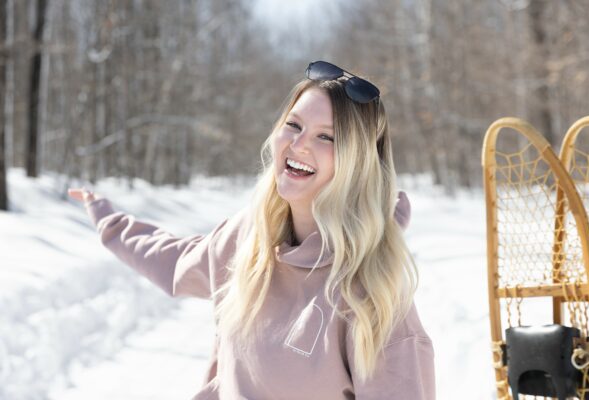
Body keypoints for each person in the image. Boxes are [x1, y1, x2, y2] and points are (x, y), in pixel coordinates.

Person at [68, 60, 435, 399]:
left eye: (327, 137)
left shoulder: (370, 289)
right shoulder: (249, 239)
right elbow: (176, 259)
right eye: (294, 125)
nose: (299, 143)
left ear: (358, 162)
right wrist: (106, 217)